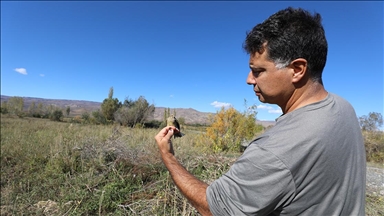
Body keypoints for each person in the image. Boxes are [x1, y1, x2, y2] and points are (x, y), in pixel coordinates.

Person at [155, 7, 366, 216]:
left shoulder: (276, 149)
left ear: (297, 70)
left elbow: (214, 209)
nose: (249, 79)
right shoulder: (343, 108)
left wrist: (169, 157)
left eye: (258, 71)